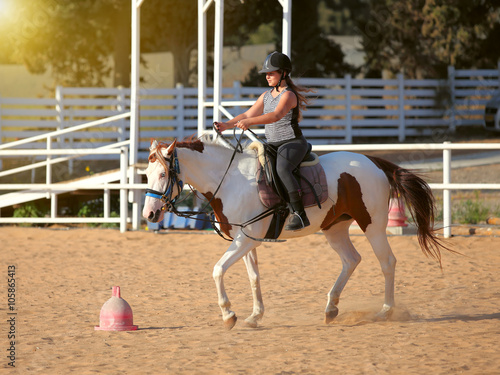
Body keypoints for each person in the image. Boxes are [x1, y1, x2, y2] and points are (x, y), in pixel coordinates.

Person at [214, 51, 313, 231]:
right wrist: (226, 125)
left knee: (282, 168)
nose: (267, 76)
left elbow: (275, 116)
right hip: (273, 143)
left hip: (292, 143)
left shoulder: (288, 95)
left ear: (283, 73)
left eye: (271, 73)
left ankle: (299, 213)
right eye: (266, 73)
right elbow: (247, 114)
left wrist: (249, 122)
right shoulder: (266, 95)